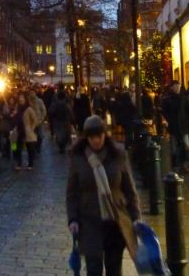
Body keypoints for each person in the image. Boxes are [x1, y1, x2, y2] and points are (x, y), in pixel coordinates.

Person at [67, 115, 141, 276]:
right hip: (89, 220)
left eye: (99, 136)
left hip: (115, 220)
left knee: (114, 268)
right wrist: (72, 218)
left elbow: (129, 188)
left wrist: (135, 217)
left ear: (104, 134)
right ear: (86, 137)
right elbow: (72, 192)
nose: (96, 140)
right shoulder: (78, 157)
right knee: (93, 268)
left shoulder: (118, 154)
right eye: (91, 137)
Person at [161, 81, 189, 172]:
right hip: (173, 127)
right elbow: (164, 111)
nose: (178, 88)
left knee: (185, 146)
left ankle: (184, 164)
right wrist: (169, 120)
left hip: (183, 126)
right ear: (172, 87)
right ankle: (175, 165)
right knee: (174, 147)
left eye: (179, 86)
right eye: (176, 86)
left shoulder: (183, 98)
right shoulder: (168, 99)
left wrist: (187, 120)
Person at [12, 92, 38, 171]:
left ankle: (30, 164)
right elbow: (14, 116)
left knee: (30, 149)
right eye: (19, 97)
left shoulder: (29, 109)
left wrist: (31, 129)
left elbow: (34, 120)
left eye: (22, 97)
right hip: (19, 131)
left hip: (27, 131)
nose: (20, 99)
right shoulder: (17, 107)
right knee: (17, 148)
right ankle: (19, 164)